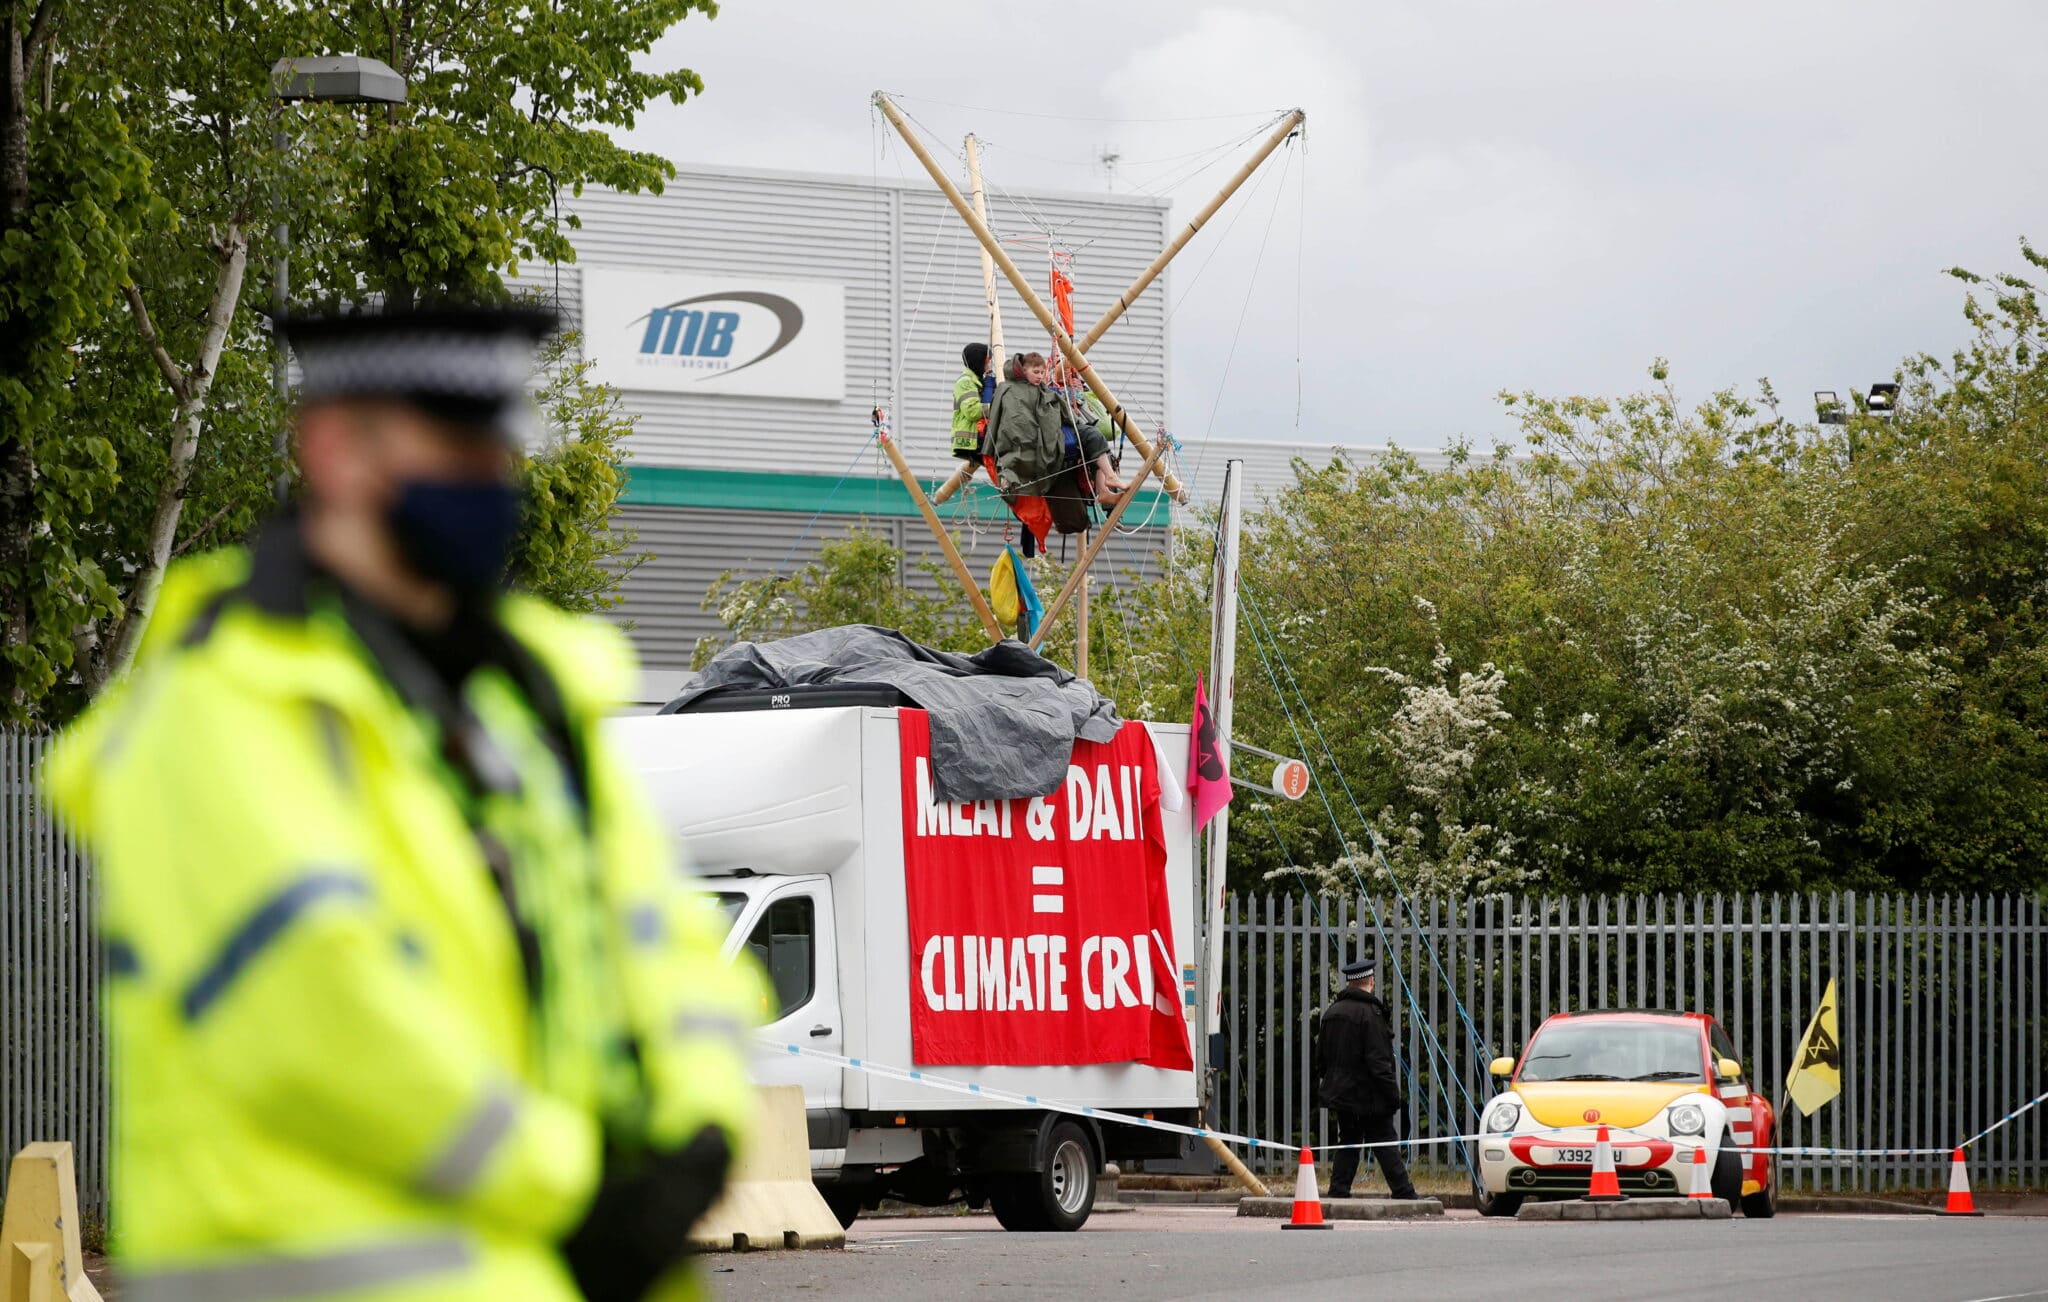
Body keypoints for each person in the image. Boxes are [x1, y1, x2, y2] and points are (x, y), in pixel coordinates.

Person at [43, 302, 767, 1302]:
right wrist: (580, 1189)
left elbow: (664, 940)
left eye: (498, 452)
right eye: (458, 450)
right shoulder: (223, 703)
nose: (491, 481)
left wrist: (699, 1132)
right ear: (336, 450)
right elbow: (319, 1012)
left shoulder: (529, 694)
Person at [1315, 955, 1418, 1200]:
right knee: (1384, 1142)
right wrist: (1392, 1095)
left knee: (1348, 1141)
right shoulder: (1371, 1014)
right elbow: (1379, 1061)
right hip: (1370, 1096)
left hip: (1342, 1094)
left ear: (1350, 984)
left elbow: (1321, 1059)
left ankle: (1338, 1191)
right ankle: (1403, 1192)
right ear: (1370, 981)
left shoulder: (1331, 1013)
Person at [984, 351, 1127, 508]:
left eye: (1042, 372)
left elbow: (1061, 410)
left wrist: (1072, 417)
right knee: (1093, 438)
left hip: (1056, 432)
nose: (1039, 376)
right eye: (1036, 372)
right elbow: (1008, 422)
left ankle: (1105, 487)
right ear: (1024, 371)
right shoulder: (1010, 390)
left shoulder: (1041, 389)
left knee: (1096, 440)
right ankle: (1108, 481)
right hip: (1044, 439)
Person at [951, 341, 992, 461]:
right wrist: (997, 407)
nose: (988, 367)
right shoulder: (965, 382)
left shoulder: (978, 382)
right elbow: (972, 411)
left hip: (978, 439)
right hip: (970, 442)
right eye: (987, 363)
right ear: (979, 362)